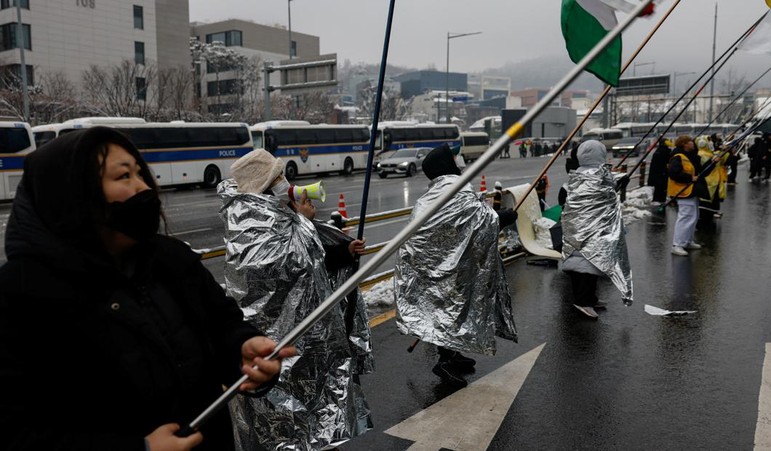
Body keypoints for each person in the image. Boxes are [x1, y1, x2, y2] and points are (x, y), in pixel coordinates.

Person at [0, 127, 293, 451]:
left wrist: (243, 348)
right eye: (123, 176)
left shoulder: (171, 258)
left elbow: (223, 323)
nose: (143, 187)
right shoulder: (19, 293)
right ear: (72, 193)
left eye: (141, 173)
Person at [218, 149, 372, 450]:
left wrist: (343, 251)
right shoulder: (253, 226)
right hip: (279, 347)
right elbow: (283, 268)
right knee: (285, 422)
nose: (285, 183)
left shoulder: (282, 219)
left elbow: (312, 263)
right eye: (277, 178)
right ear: (263, 186)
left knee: (317, 416)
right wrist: (302, 223)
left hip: (312, 339)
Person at [395, 144, 518, 388]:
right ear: (446, 164)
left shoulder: (433, 195)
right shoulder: (454, 192)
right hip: (447, 269)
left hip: (439, 267)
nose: (458, 160)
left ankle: (452, 354)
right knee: (449, 311)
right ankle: (444, 362)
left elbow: (466, 223)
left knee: (447, 310)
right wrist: (504, 217)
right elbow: (480, 224)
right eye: (453, 157)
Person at [561, 140, 633, 318]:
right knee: (589, 267)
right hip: (591, 233)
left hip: (574, 231)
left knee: (579, 267)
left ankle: (589, 299)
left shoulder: (574, 176)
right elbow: (605, 192)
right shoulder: (600, 178)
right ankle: (583, 302)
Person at [667, 135, 714, 256]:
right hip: (682, 191)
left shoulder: (692, 156)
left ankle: (687, 241)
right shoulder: (678, 156)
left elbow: (701, 172)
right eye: (690, 142)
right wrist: (689, 178)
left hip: (691, 191)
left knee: (693, 217)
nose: (693, 144)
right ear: (684, 144)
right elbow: (673, 173)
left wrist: (713, 162)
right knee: (685, 217)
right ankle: (677, 244)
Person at [695, 136, 727, 226]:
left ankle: (708, 216)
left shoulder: (708, 153)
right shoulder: (702, 154)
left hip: (713, 181)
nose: (711, 144)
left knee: (710, 201)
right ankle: (704, 223)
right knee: (706, 202)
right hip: (709, 182)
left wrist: (722, 152)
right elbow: (706, 167)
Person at [647, 138, 671, 203]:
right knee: (662, 189)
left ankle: (657, 200)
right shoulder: (665, 151)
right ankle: (660, 201)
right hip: (662, 173)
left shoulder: (658, 151)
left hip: (656, 174)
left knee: (658, 189)